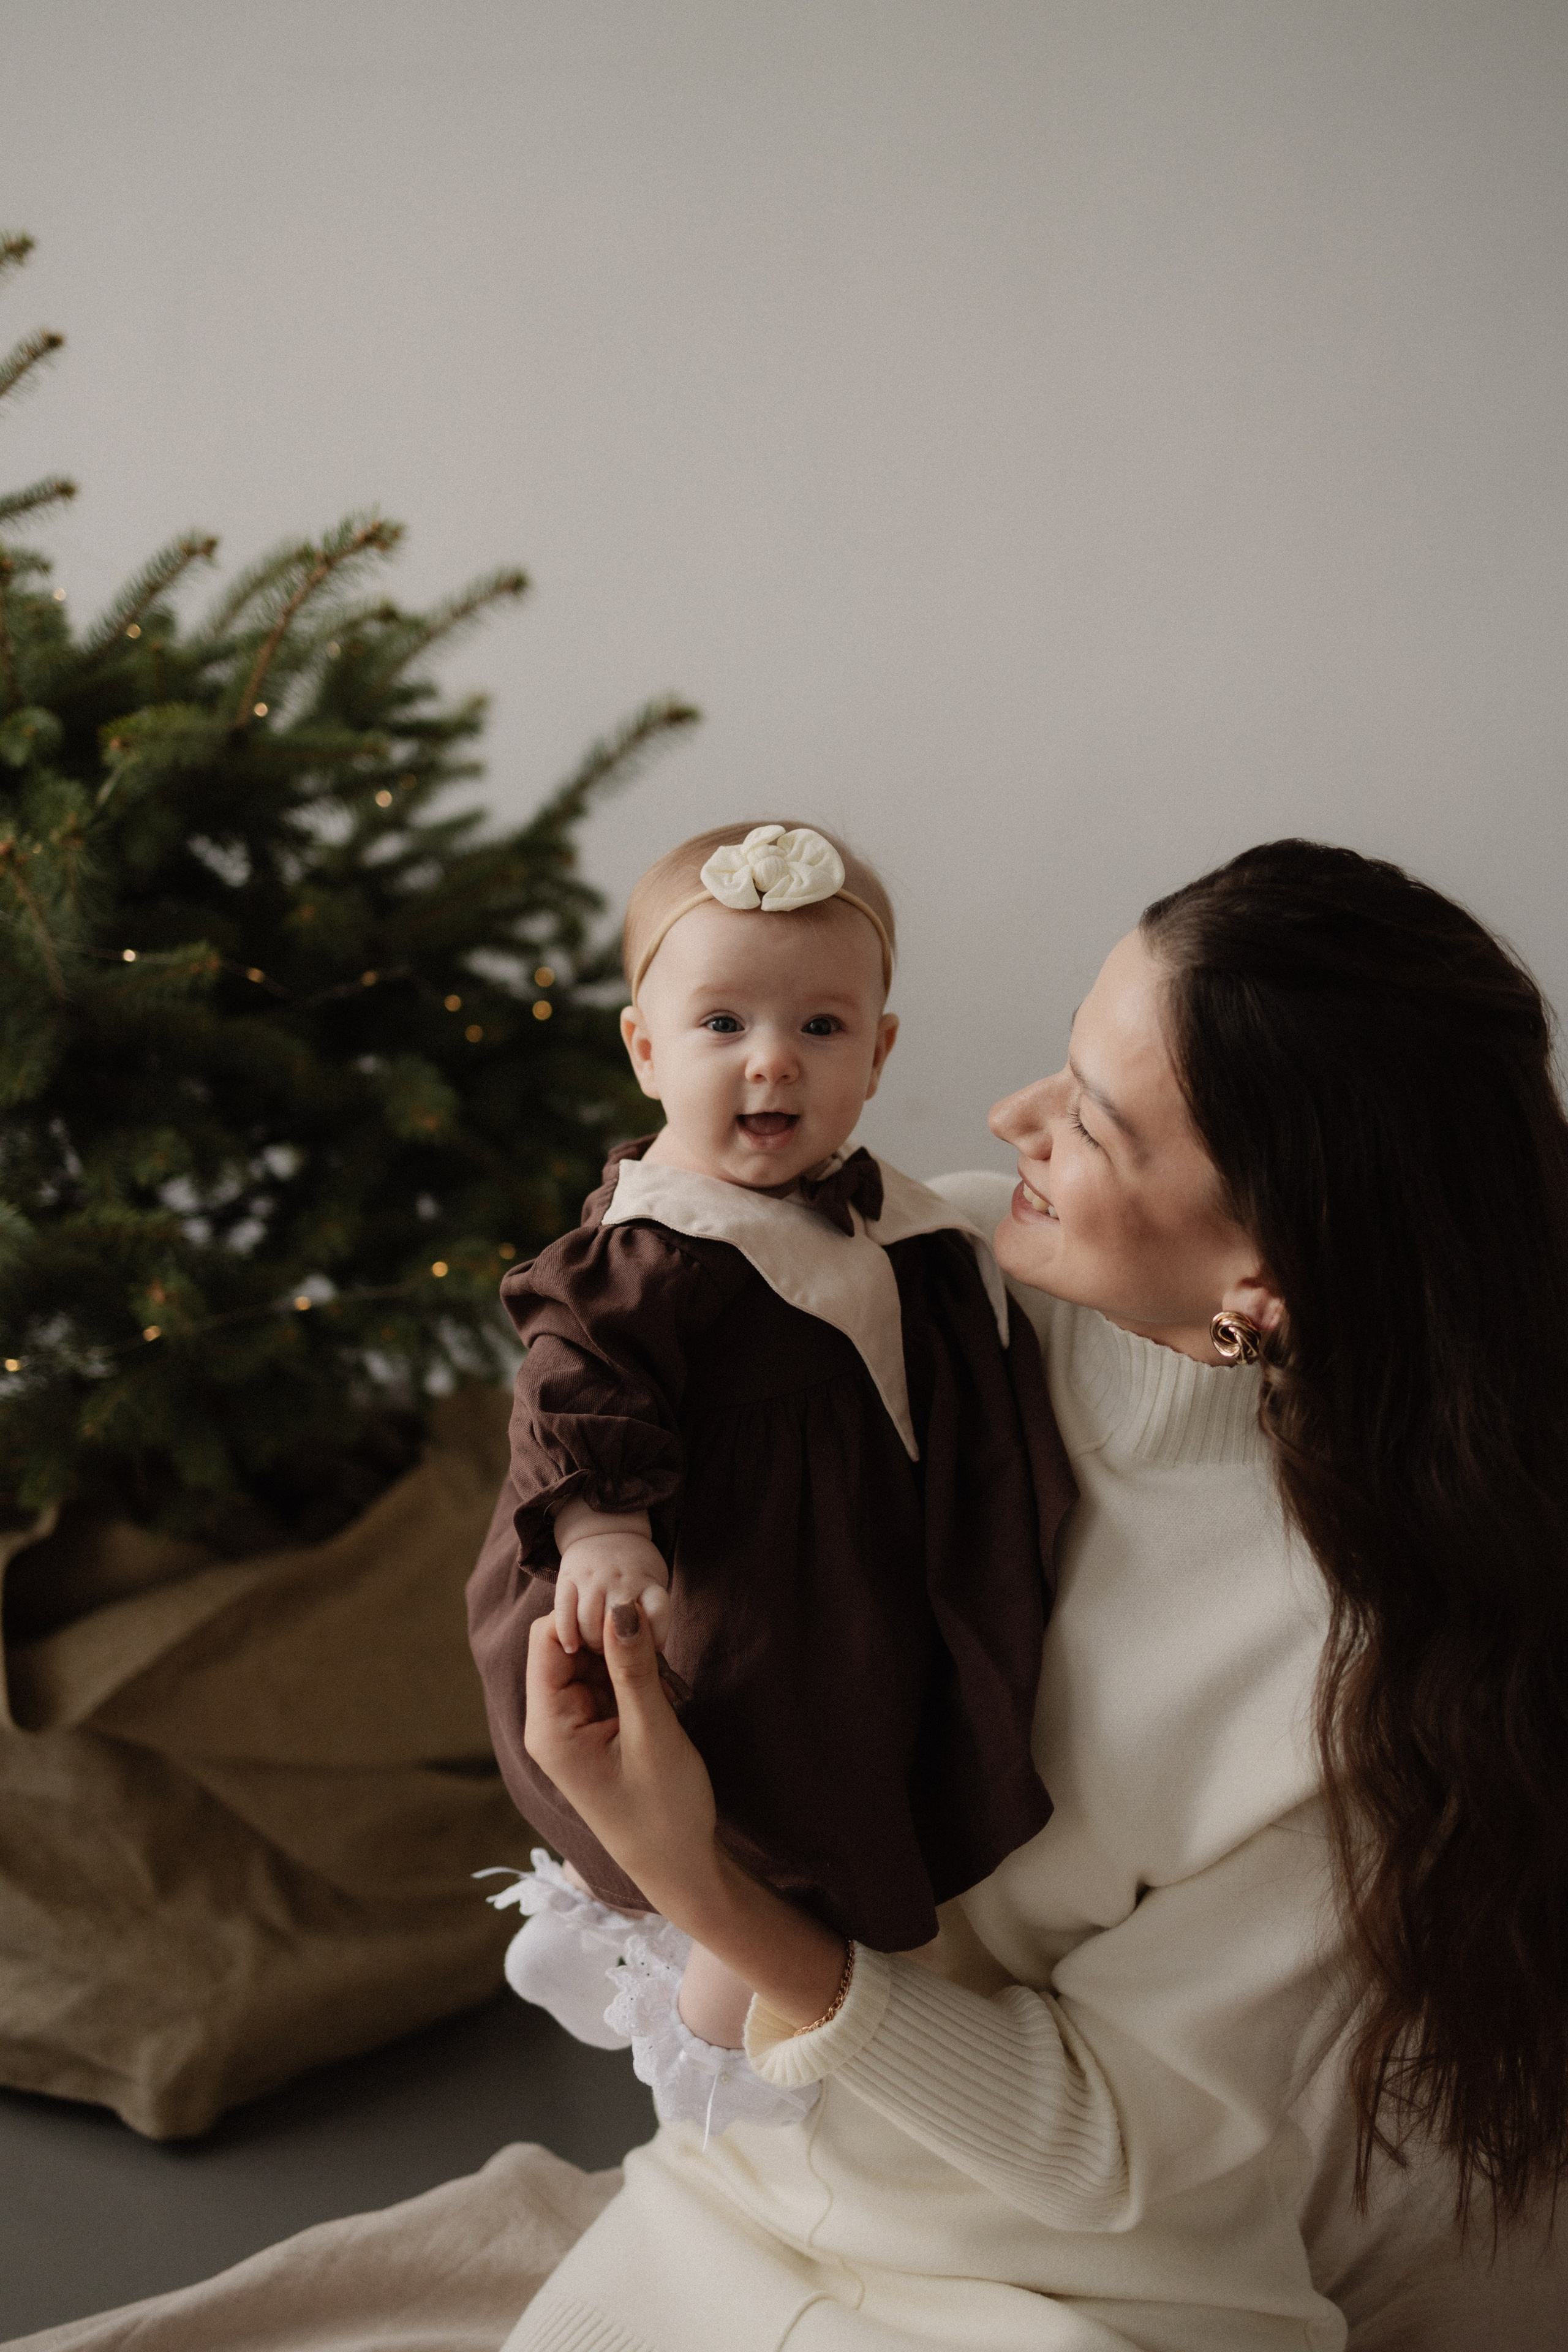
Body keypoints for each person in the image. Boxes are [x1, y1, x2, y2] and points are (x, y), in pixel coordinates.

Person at [507, 840, 1568, 2352]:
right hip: (740, 2183)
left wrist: (696, 1885)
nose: (1014, 1117)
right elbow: (604, 1356)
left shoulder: (1364, 1662)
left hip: (1073, 2284)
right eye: (1064, 1062)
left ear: (1262, 1277)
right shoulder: (907, 1283)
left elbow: (1108, 2148)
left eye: (1091, 1120)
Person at [468, 820, 1074, 2131]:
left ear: (879, 1052)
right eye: (722, 1023)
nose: (772, 1060)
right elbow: (576, 1387)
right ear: (644, 1050)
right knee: (771, 1820)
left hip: (851, 1590)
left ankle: (664, 1964)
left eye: (820, 1027)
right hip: (730, 1598)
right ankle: (704, 2055)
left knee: (855, 1784)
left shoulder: (890, 1213)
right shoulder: (647, 1253)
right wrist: (605, 1530)